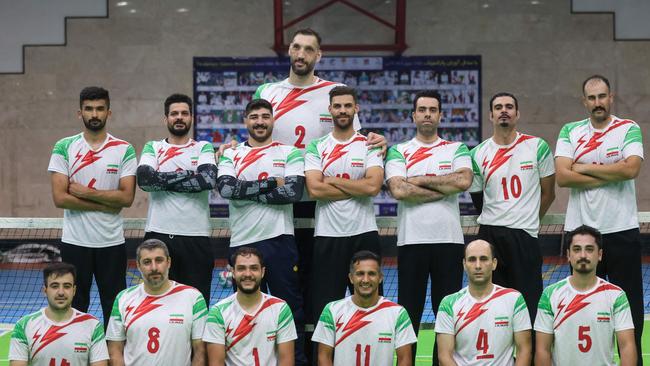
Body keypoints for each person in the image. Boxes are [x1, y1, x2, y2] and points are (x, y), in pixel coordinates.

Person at [249, 28, 387, 326]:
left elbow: (357, 141)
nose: (301, 54)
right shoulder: (267, 92)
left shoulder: (334, 91)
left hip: (323, 205)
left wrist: (377, 141)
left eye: (309, 49)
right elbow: (253, 132)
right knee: (285, 282)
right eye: (297, 47)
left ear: (318, 55)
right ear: (289, 50)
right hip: (281, 200)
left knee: (318, 281)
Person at [554, 75, 644, 363]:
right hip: (581, 235)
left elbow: (630, 170)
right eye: (591, 98)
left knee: (629, 311)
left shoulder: (628, 128)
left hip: (621, 231)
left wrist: (584, 168)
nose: (597, 103)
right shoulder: (570, 131)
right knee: (583, 307)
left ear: (611, 97)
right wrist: (609, 170)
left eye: (602, 96)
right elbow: (563, 177)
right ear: (584, 101)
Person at [216, 98, 307, 364]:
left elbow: (293, 191)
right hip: (243, 244)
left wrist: (247, 192)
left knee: (290, 312)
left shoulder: (288, 152)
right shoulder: (232, 154)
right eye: (254, 116)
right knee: (246, 313)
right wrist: (271, 183)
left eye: (265, 116)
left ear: (272, 120)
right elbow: (226, 189)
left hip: (280, 242)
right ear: (246, 120)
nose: (260, 121)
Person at [385, 90, 473, 364]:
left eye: (432, 109)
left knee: (445, 312)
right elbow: (399, 189)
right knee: (407, 311)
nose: (427, 114)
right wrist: (441, 186)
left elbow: (462, 182)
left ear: (440, 115)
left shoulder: (456, 148)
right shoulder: (399, 151)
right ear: (413, 115)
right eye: (422, 109)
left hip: (448, 242)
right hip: (412, 242)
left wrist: (418, 179)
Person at [48, 86, 136, 327]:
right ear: (80, 113)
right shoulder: (63, 147)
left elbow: (127, 198)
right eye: (89, 109)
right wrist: (106, 203)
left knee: (115, 308)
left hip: (111, 244)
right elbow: (60, 198)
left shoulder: (124, 149)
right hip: (75, 243)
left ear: (109, 112)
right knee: (75, 307)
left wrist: (86, 193)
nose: (94, 114)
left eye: (100, 109)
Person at [468, 92, 555, 323]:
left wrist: (527, 220)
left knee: (529, 307)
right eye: (498, 107)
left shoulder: (537, 147)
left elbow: (548, 193)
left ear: (517, 113)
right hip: (490, 236)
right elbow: (478, 199)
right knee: (492, 306)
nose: (503, 110)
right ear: (491, 115)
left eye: (509, 106)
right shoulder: (477, 154)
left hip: (524, 237)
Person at [304, 86, 384, 325]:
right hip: (328, 237)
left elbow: (373, 187)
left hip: (364, 233)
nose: (342, 110)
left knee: (371, 309)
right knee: (326, 311)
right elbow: (315, 189)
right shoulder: (316, 147)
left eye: (347, 105)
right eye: (337, 106)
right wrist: (355, 187)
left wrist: (332, 180)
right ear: (330, 110)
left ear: (356, 109)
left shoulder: (369, 144)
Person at [137, 93, 218, 304]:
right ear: (166, 119)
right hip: (159, 234)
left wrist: (162, 179)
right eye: (174, 114)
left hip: (196, 236)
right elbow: (145, 180)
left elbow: (207, 180)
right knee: (156, 302)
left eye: (184, 113)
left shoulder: (204, 147)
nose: (179, 117)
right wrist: (190, 174)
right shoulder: (153, 147)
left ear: (191, 117)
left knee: (197, 303)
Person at [534, 225, 636, 366]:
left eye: (589, 249)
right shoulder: (550, 295)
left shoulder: (616, 296)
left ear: (599, 255)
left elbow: (627, 347)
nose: (583, 255)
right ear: (569, 255)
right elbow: (542, 350)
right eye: (577, 249)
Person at [106, 239, 207, 366]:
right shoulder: (123, 298)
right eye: (147, 262)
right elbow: (114, 350)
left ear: (168, 262)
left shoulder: (193, 297)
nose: (154, 268)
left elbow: (201, 350)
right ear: (138, 265)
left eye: (159, 260)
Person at [312, 250, 417, 366]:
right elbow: (323, 357)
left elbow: (405, 359)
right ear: (351, 278)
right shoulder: (332, 310)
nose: (365, 280)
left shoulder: (398, 314)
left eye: (371, 274)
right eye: (360, 273)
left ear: (380, 277)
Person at [435, 240, 532, 366]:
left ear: (494, 263)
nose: (478, 265)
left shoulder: (514, 299)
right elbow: (444, 356)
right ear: (464, 264)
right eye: (472, 259)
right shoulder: (448, 304)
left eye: (484, 259)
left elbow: (524, 350)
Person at [203, 247, 297, 366]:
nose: (248, 274)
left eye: (254, 268)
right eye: (241, 268)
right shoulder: (218, 312)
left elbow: (286, 361)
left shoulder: (280, 309)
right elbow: (216, 363)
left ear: (262, 272)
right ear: (233, 272)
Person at [9, 262, 109, 366]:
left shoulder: (92, 325)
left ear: (74, 291)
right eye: (55, 286)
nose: (61, 292)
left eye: (67, 286)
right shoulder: (24, 326)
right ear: (45, 290)